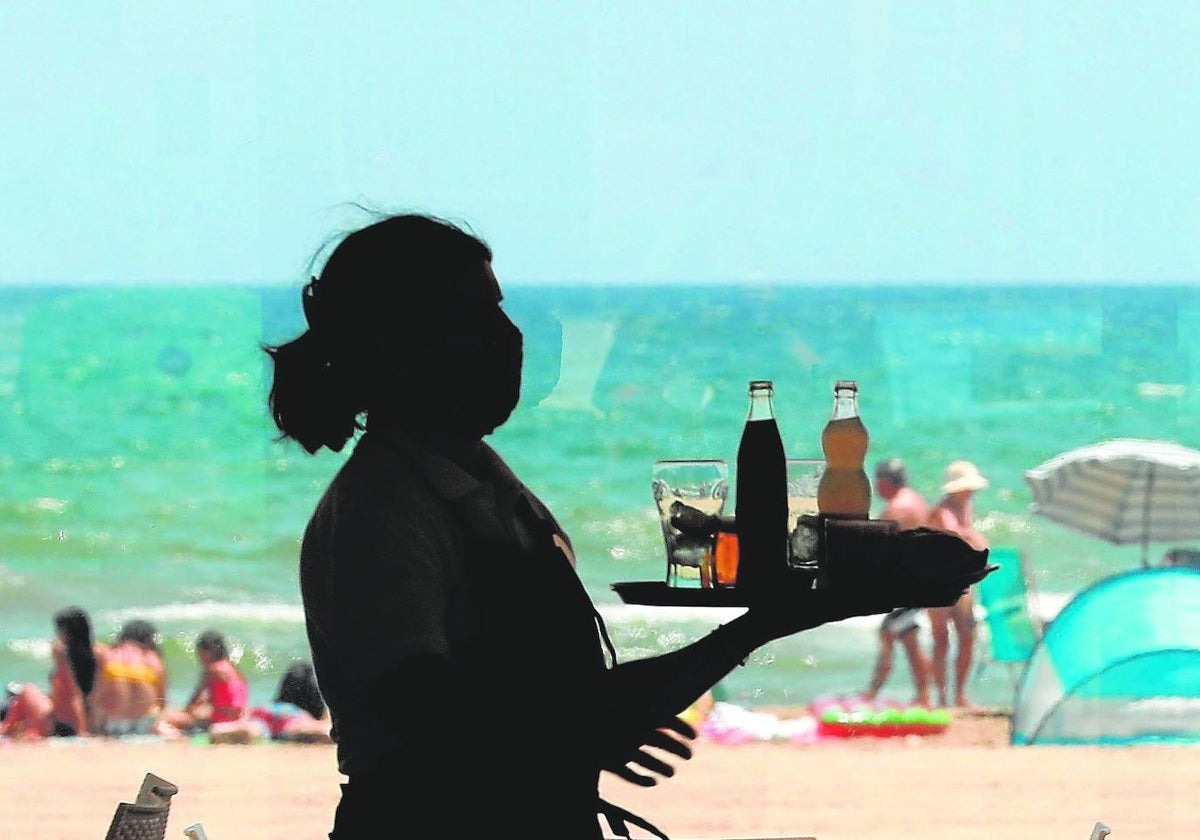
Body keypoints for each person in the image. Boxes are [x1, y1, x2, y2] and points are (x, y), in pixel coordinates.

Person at [263, 213, 986, 840]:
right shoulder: (380, 513)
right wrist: (757, 627)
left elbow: (537, 718)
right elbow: (451, 731)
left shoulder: (481, 485)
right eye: (475, 319)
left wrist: (599, 724)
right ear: (398, 346)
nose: (509, 337)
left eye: (502, 311)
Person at [862, 457, 933, 706]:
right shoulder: (915, 500)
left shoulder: (895, 509)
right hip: (924, 579)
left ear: (883, 481)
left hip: (912, 585)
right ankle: (923, 696)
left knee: (889, 633)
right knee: (908, 637)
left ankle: (872, 694)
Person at [926, 460, 990, 710]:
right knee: (941, 640)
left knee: (967, 636)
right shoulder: (942, 510)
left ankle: (960, 694)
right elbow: (955, 534)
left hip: (961, 580)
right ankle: (941, 698)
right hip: (938, 582)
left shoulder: (966, 505)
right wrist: (976, 538)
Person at [0, 606, 99, 739]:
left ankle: (6, 730)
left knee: (27, 690)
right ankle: (8, 729)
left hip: (62, 724)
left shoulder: (64, 656)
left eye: (59, 630)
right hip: (82, 721)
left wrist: (82, 731)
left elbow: (74, 695)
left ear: (66, 632)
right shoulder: (96, 655)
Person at [160, 629, 251, 734]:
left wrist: (185, 712)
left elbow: (195, 698)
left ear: (208, 653)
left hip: (223, 719)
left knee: (168, 718)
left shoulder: (213, 670)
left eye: (200, 653)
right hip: (240, 717)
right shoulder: (232, 667)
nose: (199, 658)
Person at [91, 618, 169, 738]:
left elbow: (96, 692)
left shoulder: (109, 654)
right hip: (144, 724)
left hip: (111, 723)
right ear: (149, 639)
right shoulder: (153, 659)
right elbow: (161, 703)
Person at [249, 660, 333, 743]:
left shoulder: (273, 707)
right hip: (291, 720)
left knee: (256, 727)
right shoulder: (301, 716)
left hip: (268, 710)